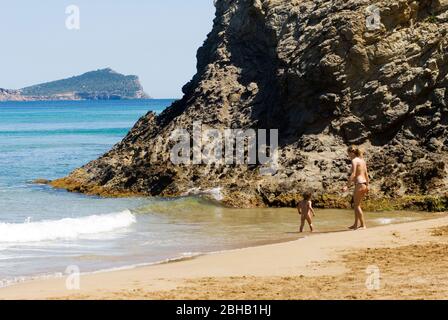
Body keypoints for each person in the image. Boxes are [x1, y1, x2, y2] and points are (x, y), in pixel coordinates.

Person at [343, 145, 370, 230]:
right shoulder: (362, 161)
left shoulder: (354, 161)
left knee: (357, 206)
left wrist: (347, 186)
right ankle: (355, 224)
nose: (348, 156)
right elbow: (366, 174)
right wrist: (368, 186)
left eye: (348, 154)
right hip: (364, 184)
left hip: (359, 184)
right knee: (356, 205)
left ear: (351, 152)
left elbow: (353, 174)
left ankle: (362, 225)